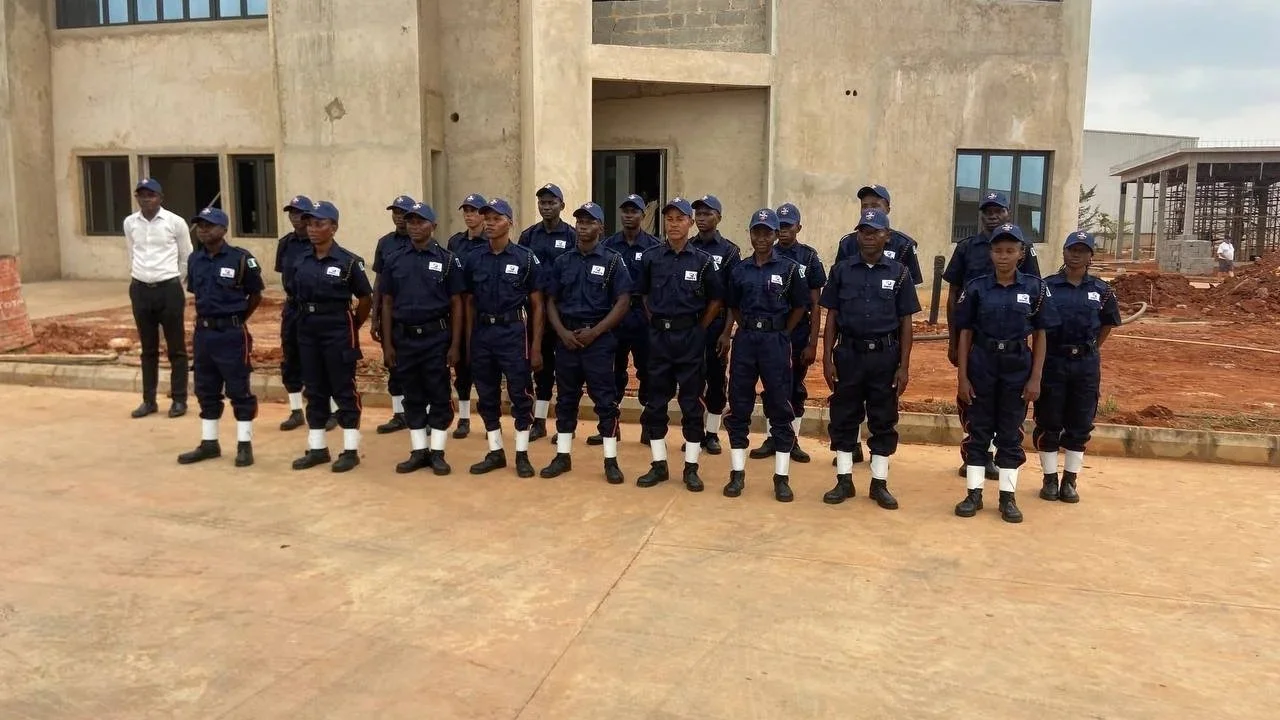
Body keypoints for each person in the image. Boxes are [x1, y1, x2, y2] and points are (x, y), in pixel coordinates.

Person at [953, 223, 1058, 523]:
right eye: (998, 250)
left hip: (1016, 365)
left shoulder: (1035, 288)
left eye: (1010, 250)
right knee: (978, 431)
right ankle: (973, 493)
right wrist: (963, 376)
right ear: (990, 253)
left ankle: (1007, 497)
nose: (1003, 256)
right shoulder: (976, 288)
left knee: (1010, 434)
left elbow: (1040, 334)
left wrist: (1036, 377)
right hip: (982, 364)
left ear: (1021, 254)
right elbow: (965, 333)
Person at [820, 209, 920, 509]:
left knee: (883, 419)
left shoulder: (899, 273)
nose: (869, 236)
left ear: (886, 236)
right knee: (844, 416)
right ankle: (844, 480)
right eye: (864, 231)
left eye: (875, 231)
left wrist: (904, 365)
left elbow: (906, 323)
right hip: (848, 354)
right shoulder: (841, 271)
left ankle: (879, 483)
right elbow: (832, 318)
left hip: (884, 357)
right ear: (857, 235)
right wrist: (827, 358)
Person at [943, 191, 1042, 480]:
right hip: (974, 335)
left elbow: (1034, 289)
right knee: (972, 398)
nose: (992, 215)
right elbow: (953, 294)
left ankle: (1003, 457)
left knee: (1010, 404)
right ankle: (976, 455)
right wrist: (953, 339)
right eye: (987, 211)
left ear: (1007, 213)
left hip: (1011, 338)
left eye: (998, 210)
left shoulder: (1022, 247)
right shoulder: (966, 248)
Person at [635, 197, 725, 492]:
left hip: (689, 339)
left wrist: (699, 329)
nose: (673, 224)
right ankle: (659, 464)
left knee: (691, 403)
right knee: (656, 402)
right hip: (659, 338)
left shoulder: (702, 261)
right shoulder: (651, 257)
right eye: (669, 219)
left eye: (680, 219)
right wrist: (656, 322)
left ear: (690, 223)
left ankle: (691, 467)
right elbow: (644, 296)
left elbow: (715, 300)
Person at [540, 202, 633, 483]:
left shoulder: (613, 261)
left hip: (599, 341)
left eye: (590, 221)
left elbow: (623, 301)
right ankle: (563, 456)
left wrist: (596, 332)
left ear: (601, 228)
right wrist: (561, 332)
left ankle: (610, 460)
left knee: (605, 401)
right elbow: (551, 301)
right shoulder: (563, 261)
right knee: (566, 400)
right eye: (580, 221)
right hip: (567, 340)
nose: (583, 226)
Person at [723, 208, 809, 502]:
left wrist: (784, 332)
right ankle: (737, 474)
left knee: (780, 403)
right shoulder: (740, 270)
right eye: (756, 232)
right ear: (750, 234)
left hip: (775, 341)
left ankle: (781, 477)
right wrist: (744, 325)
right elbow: (732, 305)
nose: (761, 237)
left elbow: (801, 305)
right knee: (739, 403)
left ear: (775, 235)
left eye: (767, 232)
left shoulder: (788, 269)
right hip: (747, 340)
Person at [1034, 231, 1121, 503]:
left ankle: (1070, 480)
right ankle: (1049, 479)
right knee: (1048, 420)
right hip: (1053, 361)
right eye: (1072, 249)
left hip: (1085, 363)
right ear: (1063, 252)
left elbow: (1108, 322)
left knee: (1080, 422)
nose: (1076, 254)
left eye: (1083, 250)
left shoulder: (1102, 290)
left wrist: (1093, 347)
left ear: (1091, 256)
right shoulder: (1046, 287)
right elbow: (1039, 327)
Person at [379, 202, 465, 475]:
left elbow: (457, 305)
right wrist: (388, 344)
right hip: (404, 339)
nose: (414, 226)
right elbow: (387, 303)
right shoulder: (394, 259)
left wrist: (455, 345)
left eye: (420, 221)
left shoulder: (448, 260)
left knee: (439, 394)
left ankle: (437, 451)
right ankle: (418, 451)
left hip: (436, 338)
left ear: (433, 226)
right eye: (411, 221)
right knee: (412, 395)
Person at [289, 200, 374, 473]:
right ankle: (317, 448)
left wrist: (351, 325)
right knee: (314, 389)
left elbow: (365, 298)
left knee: (343, 388)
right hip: (307, 328)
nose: (312, 229)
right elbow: (293, 295)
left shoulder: (349, 262)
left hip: (337, 328)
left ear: (334, 227)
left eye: (319, 224)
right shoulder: (300, 259)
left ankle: (350, 450)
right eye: (310, 223)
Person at [176, 207, 265, 467]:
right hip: (204, 333)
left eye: (209, 225)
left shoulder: (241, 259)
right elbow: (196, 291)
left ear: (223, 229)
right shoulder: (195, 260)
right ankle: (209, 443)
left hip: (231, 334)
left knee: (239, 388)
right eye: (200, 225)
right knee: (206, 388)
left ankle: (244, 444)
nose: (203, 230)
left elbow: (256, 295)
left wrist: (237, 320)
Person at [464, 197, 545, 478]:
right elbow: (469, 302)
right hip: (483, 333)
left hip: (513, 333)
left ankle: (522, 454)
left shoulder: (524, 257)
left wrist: (535, 347)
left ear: (509, 222)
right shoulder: (474, 258)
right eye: (487, 218)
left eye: (496, 219)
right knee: (486, 395)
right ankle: (495, 450)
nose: (489, 223)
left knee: (520, 394)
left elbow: (537, 305)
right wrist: (467, 341)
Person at [749, 202, 825, 463]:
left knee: (793, 388)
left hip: (796, 334)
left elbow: (814, 304)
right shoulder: (764, 256)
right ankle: (774, 437)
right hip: (768, 334)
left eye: (787, 226)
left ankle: (792, 438)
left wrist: (813, 343)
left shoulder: (808, 257)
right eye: (778, 226)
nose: (782, 231)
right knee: (772, 387)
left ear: (798, 227)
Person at [592, 193, 662, 446]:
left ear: (643, 216)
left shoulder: (655, 247)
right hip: (616, 317)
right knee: (613, 372)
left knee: (648, 372)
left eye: (634, 211)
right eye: (625, 211)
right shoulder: (609, 246)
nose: (628, 215)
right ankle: (611, 425)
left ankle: (648, 423)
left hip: (643, 317)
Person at [123, 177, 191, 419]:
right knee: (148, 349)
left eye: (150, 195)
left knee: (176, 349)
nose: (146, 199)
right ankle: (148, 400)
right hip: (141, 290)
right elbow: (132, 252)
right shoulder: (130, 223)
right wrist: (140, 278)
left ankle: (179, 399)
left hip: (169, 290)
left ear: (160, 198)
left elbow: (186, 257)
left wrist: (174, 282)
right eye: (141, 195)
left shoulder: (175, 222)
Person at [519, 183, 576, 441]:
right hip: (537, 314)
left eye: (552, 202)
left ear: (562, 205)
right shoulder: (529, 236)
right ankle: (539, 421)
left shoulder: (574, 236)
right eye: (542, 202)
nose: (546, 207)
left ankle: (567, 424)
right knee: (540, 367)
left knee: (567, 371)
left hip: (565, 314)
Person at [691, 194, 742, 455]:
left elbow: (732, 298)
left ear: (719, 217)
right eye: (698, 214)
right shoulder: (688, 247)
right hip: (692, 326)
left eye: (707, 213)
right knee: (692, 378)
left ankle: (711, 432)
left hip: (716, 327)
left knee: (715, 379)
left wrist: (726, 332)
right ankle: (694, 431)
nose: (701, 218)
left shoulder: (730, 251)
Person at [275, 194, 322, 431]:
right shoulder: (285, 244)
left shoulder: (319, 243)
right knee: (291, 356)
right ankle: (295, 410)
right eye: (292, 213)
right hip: (293, 307)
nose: (295, 218)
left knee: (319, 360)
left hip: (315, 308)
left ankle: (328, 410)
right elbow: (282, 273)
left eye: (300, 214)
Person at [369, 195, 416, 435]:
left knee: (420, 369)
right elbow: (379, 282)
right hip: (392, 315)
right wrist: (375, 316)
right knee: (394, 364)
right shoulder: (385, 243)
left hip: (417, 315)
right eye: (395, 212)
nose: (399, 217)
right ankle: (399, 414)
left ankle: (421, 414)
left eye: (403, 213)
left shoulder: (422, 241)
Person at [445, 192, 490, 439]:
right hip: (459, 312)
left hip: (482, 311)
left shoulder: (490, 242)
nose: (470, 216)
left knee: (484, 370)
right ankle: (463, 418)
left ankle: (489, 420)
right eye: (466, 211)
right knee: (461, 369)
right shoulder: (455, 243)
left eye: (474, 211)